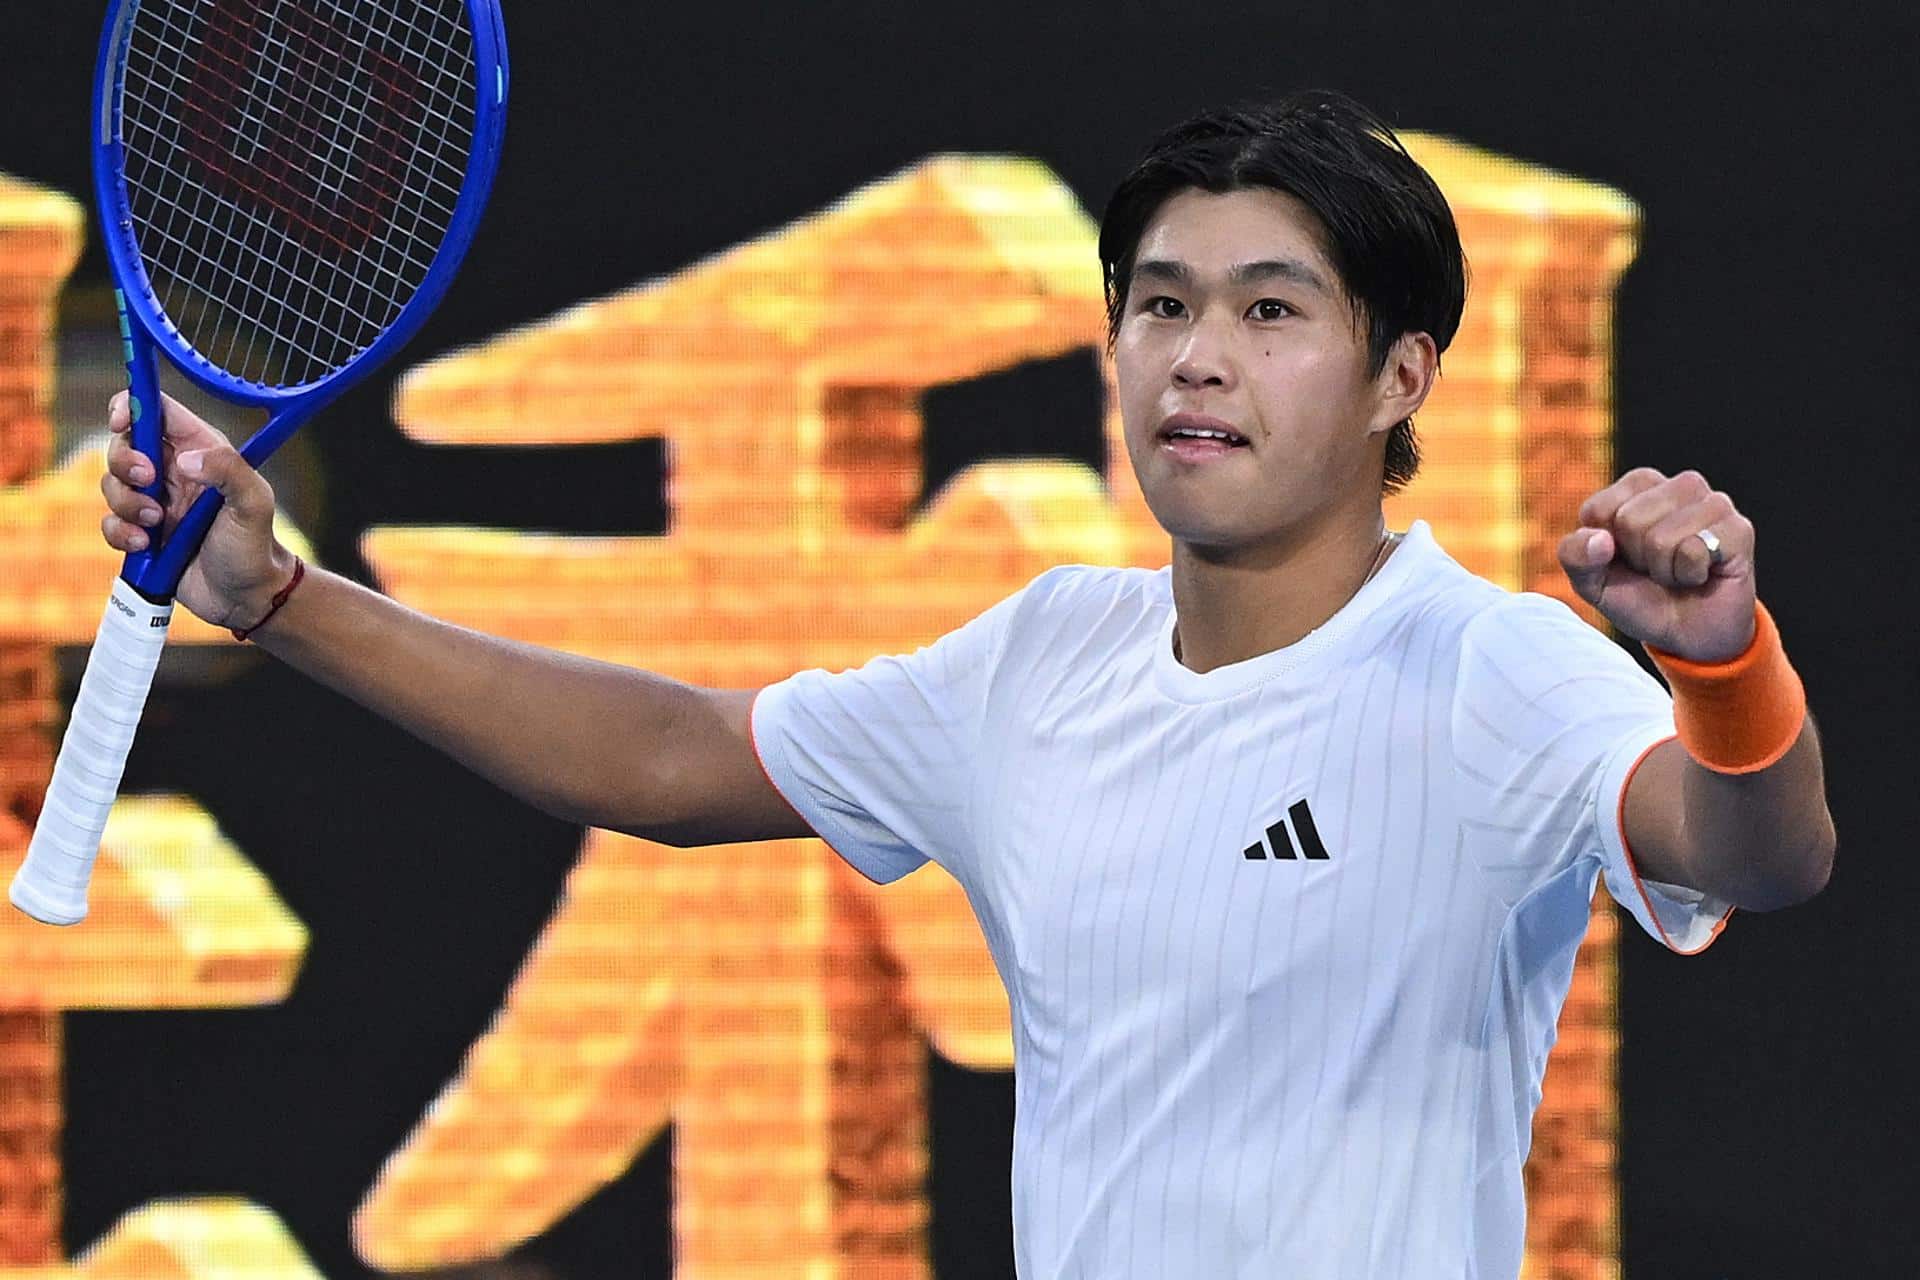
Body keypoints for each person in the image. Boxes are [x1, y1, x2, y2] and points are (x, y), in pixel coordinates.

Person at [97, 90, 1834, 1278]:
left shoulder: (1490, 667)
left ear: (1400, 376)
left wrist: (1724, 668)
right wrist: (281, 600)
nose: (1197, 358)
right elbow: (675, 757)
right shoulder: (1042, 656)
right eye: (1159, 307)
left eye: (1270, 313)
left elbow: (1757, 854)